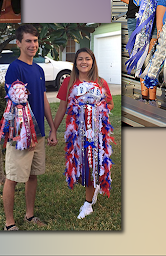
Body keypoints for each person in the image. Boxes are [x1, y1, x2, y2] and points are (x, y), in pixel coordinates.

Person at [2, 24, 57, 230]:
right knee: (13, 177)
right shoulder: (15, 68)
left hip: (39, 131)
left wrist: (51, 128)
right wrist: (20, 133)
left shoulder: (39, 69)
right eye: (28, 41)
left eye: (35, 40)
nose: (33, 45)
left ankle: (29, 215)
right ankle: (9, 223)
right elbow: (13, 102)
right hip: (21, 133)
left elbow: (42, 99)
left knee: (32, 175)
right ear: (19, 43)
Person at [52, 48, 114, 219]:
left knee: (92, 164)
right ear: (76, 63)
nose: (84, 62)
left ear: (93, 62)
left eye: (87, 59)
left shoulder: (100, 83)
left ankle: (88, 204)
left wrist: (95, 110)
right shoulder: (69, 83)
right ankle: (92, 190)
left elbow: (110, 104)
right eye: (80, 59)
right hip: (76, 137)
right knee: (79, 168)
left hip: (95, 135)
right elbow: (62, 108)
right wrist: (54, 130)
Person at [116, 0, 166, 106]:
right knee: (140, 57)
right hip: (135, 20)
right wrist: (131, 3)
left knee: (152, 57)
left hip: (154, 21)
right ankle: (145, 97)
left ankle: (152, 98)